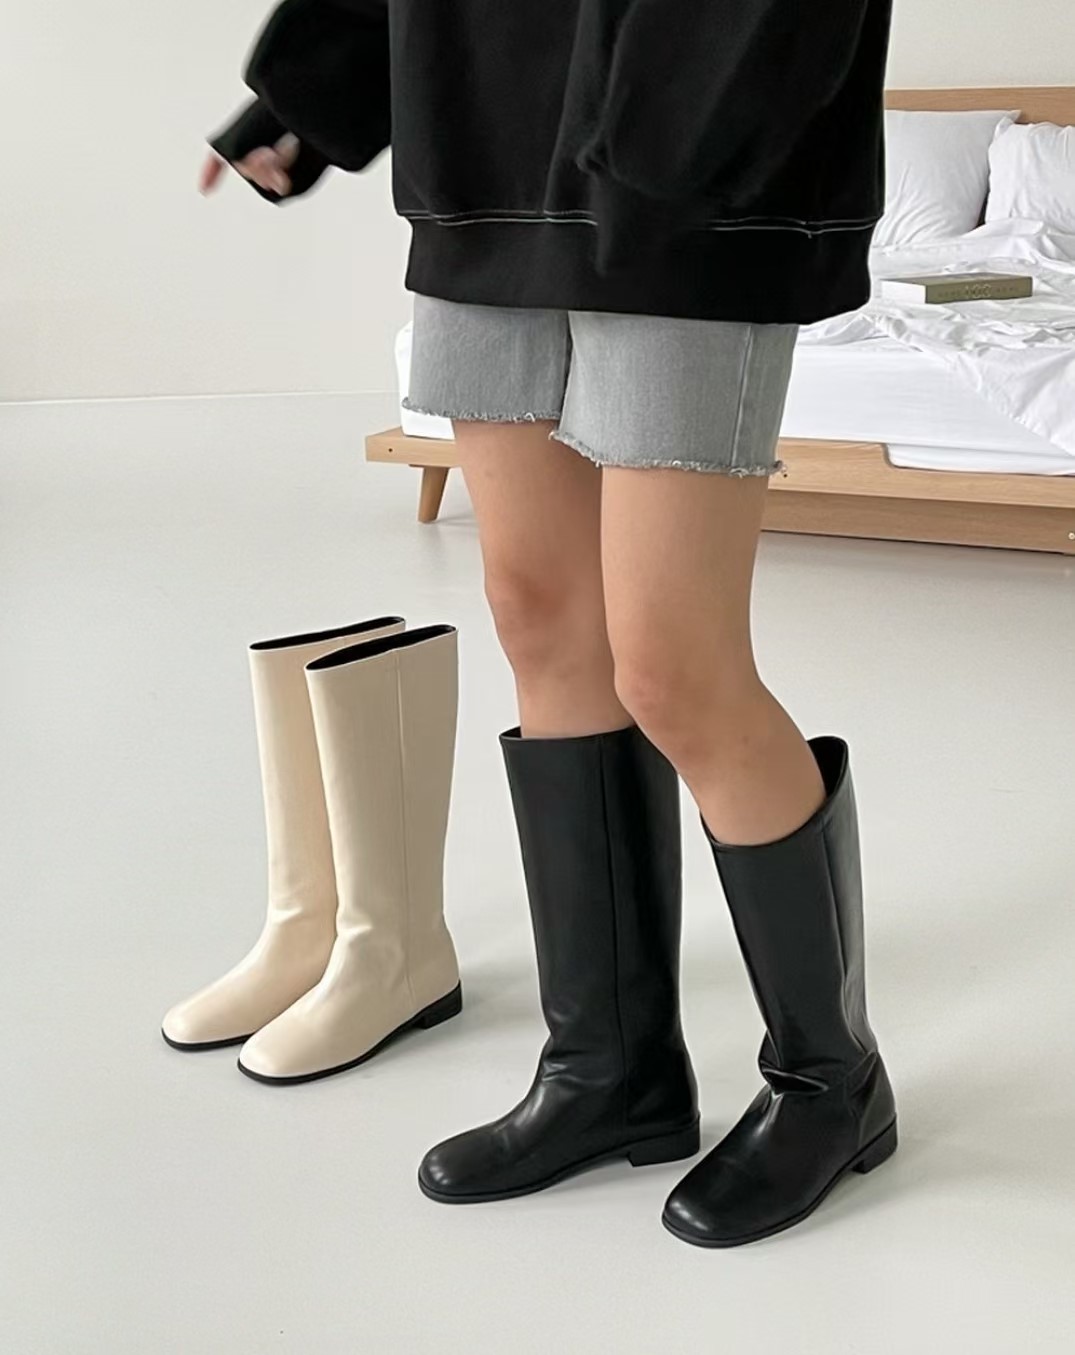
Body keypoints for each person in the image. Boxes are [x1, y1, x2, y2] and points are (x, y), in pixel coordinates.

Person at [206, 0, 898, 1247]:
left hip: (692, 182)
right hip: (482, 166)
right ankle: (607, 1067)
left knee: (675, 665)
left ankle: (827, 1079)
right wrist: (323, 85)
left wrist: (684, 136)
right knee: (537, 618)